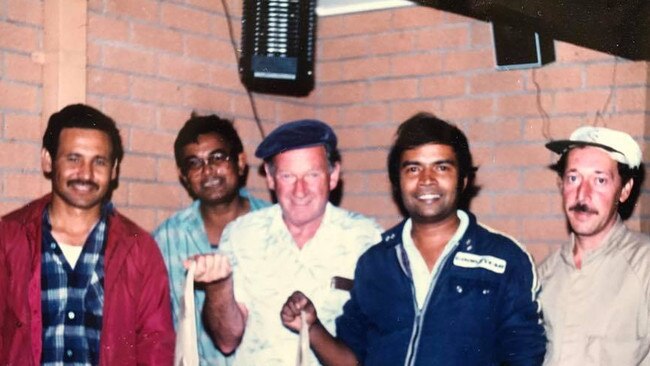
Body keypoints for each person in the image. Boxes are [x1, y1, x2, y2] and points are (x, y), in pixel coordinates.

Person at [281, 112, 546, 365]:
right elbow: (351, 359)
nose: (426, 180)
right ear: (397, 182)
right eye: (413, 169)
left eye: (441, 168)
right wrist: (311, 326)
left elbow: (525, 356)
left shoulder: (503, 258)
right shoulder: (375, 262)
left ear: (463, 180)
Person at [190, 119, 383, 365]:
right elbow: (227, 340)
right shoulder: (241, 235)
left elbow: (377, 341)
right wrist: (218, 286)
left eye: (312, 174)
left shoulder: (367, 239)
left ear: (333, 176)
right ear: (270, 179)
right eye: (287, 176)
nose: (300, 190)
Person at [0, 104, 174, 365]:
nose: (86, 174)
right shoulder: (8, 239)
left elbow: (156, 346)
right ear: (48, 160)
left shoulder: (140, 250)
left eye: (99, 162)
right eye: (73, 158)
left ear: (114, 169)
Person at [153, 113, 270, 365]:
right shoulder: (166, 239)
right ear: (183, 175)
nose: (208, 171)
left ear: (240, 162)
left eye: (218, 157)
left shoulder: (275, 226)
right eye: (194, 163)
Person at [539, 126, 649, 365]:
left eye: (600, 180)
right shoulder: (544, 274)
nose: (582, 194)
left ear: (624, 190)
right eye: (573, 178)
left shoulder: (645, 266)